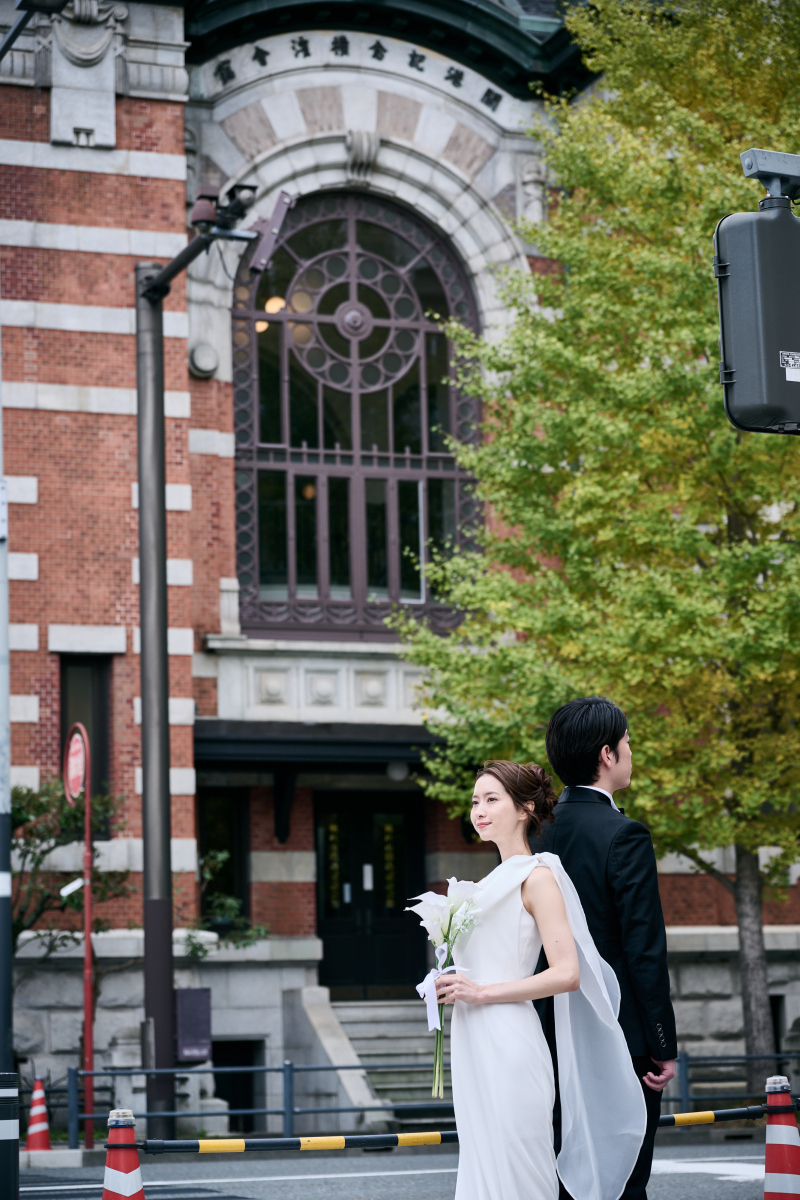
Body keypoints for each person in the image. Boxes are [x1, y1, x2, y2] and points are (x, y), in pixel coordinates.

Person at [435, 760, 646, 1200]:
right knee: (481, 1165)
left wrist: (481, 992)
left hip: (510, 1039)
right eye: (476, 801)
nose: (479, 810)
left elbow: (567, 973)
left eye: (492, 800)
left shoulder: (538, 877)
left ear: (526, 807)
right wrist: (447, 984)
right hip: (473, 1040)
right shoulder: (484, 884)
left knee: (518, 1169)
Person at [535, 696, 677, 1200]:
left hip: (546, 1032)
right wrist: (662, 1045)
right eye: (628, 743)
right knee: (622, 1179)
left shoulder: (536, 831)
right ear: (607, 755)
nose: (631, 752)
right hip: (622, 1036)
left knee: (560, 1176)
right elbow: (643, 950)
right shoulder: (624, 835)